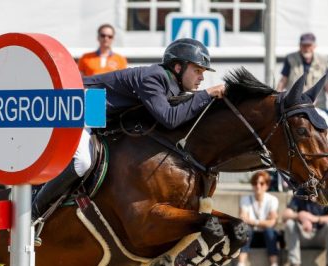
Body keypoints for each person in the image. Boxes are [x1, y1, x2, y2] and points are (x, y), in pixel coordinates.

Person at [32, 38, 225, 219]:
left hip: (100, 114)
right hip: (84, 104)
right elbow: (170, 119)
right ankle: (35, 211)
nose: (201, 78)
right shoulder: (153, 78)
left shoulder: (171, 83)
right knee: (82, 162)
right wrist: (207, 94)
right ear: (178, 66)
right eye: (198, 70)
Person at [276, 33, 328, 111]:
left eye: (309, 45)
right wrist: (276, 102)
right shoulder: (291, 59)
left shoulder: (322, 60)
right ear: (300, 46)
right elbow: (282, 81)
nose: (306, 48)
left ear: (314, 46)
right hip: (295, 106)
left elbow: (327, 84)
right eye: (304, 45)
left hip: (318, 107)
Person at [233, 171, 281, 266]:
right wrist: (263, 222)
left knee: (270, 231)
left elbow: (272, 222)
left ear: (267, 185)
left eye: (261, 183)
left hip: (266, 238)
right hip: (251, 237)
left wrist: (254, 222)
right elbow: (243, 219)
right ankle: (241, 265)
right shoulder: (245, 199)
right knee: (246, 230)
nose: (258, 186)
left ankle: (274, 265)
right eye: (255, 183)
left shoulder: (273, 200)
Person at [282, 196, 328, 266]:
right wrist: (300, 216)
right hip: (303, 235)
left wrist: (314, 219)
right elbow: (285, 215)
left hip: (321, 236)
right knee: (289, 224)